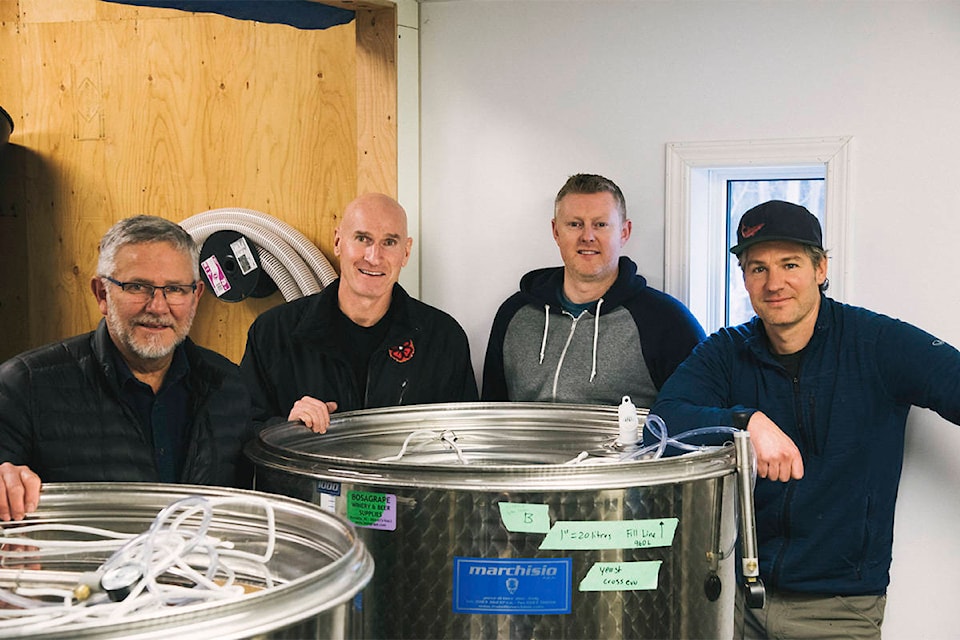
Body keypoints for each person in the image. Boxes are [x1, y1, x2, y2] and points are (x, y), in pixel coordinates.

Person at [650, 200, 960, 639]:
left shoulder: (877, 343)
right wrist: (746, 423)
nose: (774, 283)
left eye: (789, 264)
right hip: (735, 600)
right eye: (757, 268)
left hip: (839, 609)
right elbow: (661, 423)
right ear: (744, 278)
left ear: (820, 268)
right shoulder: (726, 351)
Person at [0, 215, 254, 522]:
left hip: (198, 568)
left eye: (174, 289)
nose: (158, 307)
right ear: (102, 294)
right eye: (137, 286)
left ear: (196, 295)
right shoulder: (25, 386)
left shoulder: (228, 386)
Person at [240, 192, 478, 433]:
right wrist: (286, 428)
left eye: (389, 242)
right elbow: (240, 434)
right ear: (338, 242)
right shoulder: (273, 334)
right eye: (363, 238)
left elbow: (465, 442)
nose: (374, 257)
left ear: (406, 252)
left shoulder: (443, 339)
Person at [482, 173, 704, 407]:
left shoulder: (666, 321)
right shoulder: (514, 313)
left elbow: (694, 420)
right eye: (575, 224)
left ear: (624, 232)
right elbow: (491, 414)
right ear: (556, 231)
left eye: (600, 225)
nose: (587, 237)